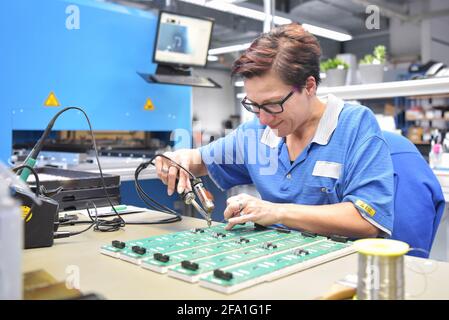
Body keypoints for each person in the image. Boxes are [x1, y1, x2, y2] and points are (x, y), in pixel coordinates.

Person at [155, 23, 394, 238]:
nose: (264, 118)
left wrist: (277, 212)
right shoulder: (255, 132)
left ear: (308, 86)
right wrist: (180, 159)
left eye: (273, 104)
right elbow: (200, 160)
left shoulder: (355, 125)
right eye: (254, 105)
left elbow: (367, 219)